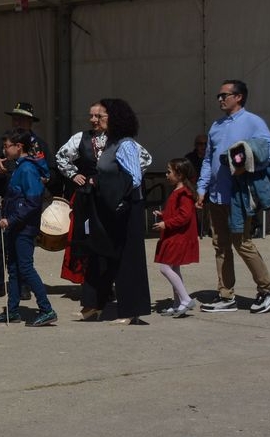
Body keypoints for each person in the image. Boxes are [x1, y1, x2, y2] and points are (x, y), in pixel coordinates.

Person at [197, 80, 270, 314]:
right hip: (216, 196)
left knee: (242, 243)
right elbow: (208, 159)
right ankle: (226, 296)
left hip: (238, 196)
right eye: (219, 95)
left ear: (239, 97)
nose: (220, 99)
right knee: (220, 246)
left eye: (225, 95)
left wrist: (249, 164)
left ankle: (267, 289)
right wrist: (202, 188)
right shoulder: (216, 125)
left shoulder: (253, 122)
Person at [55, 102, 154, 286]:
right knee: (88, 238)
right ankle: (92, 284)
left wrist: (120, 181)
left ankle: (111, 282)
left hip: (111, 197)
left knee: (112, 238)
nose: (94, 120)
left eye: (98, 116)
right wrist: (73, 174)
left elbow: (145, 158)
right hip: (89, 194)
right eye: (91, 116)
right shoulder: (81, 138)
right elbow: (61, 156)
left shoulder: (119, 140)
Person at [76, 98, 151, 325]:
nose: (95, 120)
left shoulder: (125, 144)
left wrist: (109, 188)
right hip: (108, 206)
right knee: (100, 253)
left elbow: (134, 179)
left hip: (126, 208)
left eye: (101, 116)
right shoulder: (109, 143)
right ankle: (93, 305)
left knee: (128, 259)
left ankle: (131, 311)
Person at [0, 129, 57, 327]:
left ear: (19, 147)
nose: (4, 150)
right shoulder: (19, 166)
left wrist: (11, 220)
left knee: (25, 268)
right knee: (14, 268)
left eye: (7, 146)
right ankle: (13, 311)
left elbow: (32, 201)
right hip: (17, 226)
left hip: (24, 228)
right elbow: (19, 197)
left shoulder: (27, 169)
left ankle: (46, 309)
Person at [0, 102, 49, 300]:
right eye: (15, 118)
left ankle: (23, 285)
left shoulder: (40, 146)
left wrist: (44, 178)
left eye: (22, 118)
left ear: (30, 122)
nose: (17, 121)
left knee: (22, 245)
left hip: (25, 205)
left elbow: (51, 172)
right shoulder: (2, 143)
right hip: (2, 201)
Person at [152, 158, 199, 318]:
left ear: (179, 175)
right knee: (174, 268)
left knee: (165, 268)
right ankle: (177, 302)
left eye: (169, 172)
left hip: (178, 237)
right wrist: (163, 215)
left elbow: (184, 217)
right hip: (175, 235)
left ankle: (186, 299)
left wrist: (166, 224)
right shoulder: (178, 191)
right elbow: (176, 213)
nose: (166, 175)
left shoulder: (184, 193)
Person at [185, 134, 210, 237]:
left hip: (210, 188)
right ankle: (197, 227)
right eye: (200, 144)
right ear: (195, 145)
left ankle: (208, 228)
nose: (203, 146)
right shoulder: (189, 158)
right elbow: (185, 176)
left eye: (205, 144)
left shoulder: (212, 156)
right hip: (194, 187)